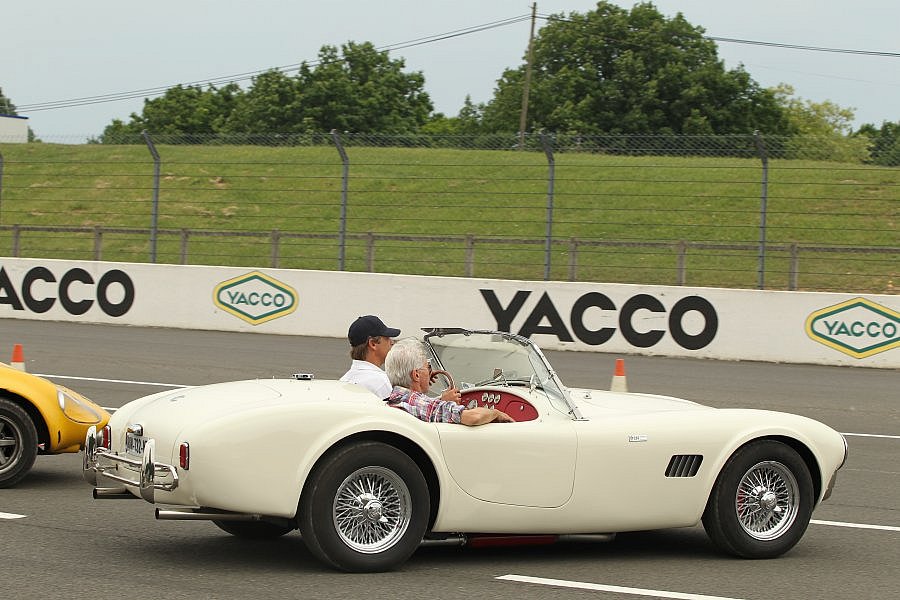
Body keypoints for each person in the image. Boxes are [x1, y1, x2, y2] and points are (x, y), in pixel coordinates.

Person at [384, 338, 513, 426]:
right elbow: (474, 418)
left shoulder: (390, 401)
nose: (431, 371)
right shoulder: (420, 404)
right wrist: (496, 413)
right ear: (416, 374)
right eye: (428, 367)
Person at [339, 315, 401, 398]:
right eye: (387, 338)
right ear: (373, 344)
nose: (392, 342)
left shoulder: (344, 380)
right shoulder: (380, 382)